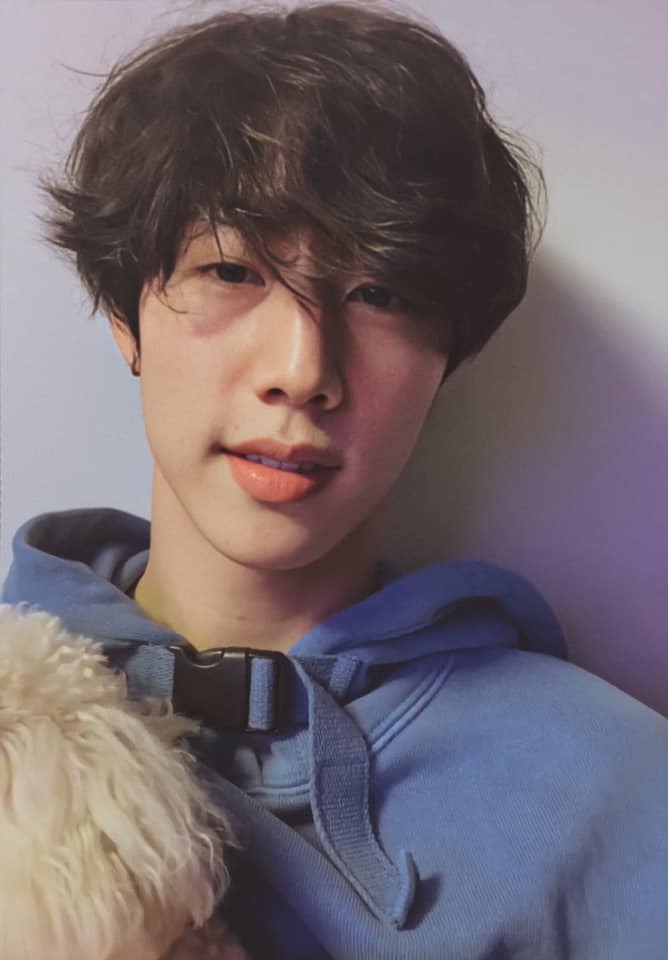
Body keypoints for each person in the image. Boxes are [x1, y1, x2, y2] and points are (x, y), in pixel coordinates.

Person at [2, 3, 667, 958]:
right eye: (232, 271)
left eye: (379, 293)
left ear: (447, 359)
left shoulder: (616, 791)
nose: (303, 368)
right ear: (123, 314)